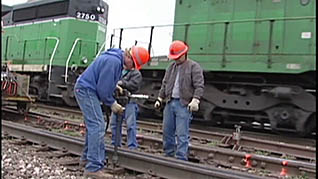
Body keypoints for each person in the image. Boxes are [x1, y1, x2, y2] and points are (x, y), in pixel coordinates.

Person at [74, 46, 150, 178]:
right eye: (134, 65)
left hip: (85, 88)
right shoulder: (114, 62)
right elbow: (103, 90)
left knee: (93, 126)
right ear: (129, 58)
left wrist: (114, 86)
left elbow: (102, 79)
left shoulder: (115, 59)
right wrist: (112, 103)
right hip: (87, 90)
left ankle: (87, 158)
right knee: (97, 126)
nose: (132, 68)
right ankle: (93, 167)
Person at [154, 40, 204, 161]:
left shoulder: (194, 67)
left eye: (177, 57)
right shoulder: (171, 67)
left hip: (183, 104)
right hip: (170, 102)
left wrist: (195, 99)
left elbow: (199, 85)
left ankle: (181, 158)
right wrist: (160, 98)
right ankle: (169, 155)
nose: (175, 60)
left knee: (182, 134)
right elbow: (165, 84)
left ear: (184, 54)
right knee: (167, 131)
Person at [110, 47, 149, 150]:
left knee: (130, 125)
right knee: (114, 124)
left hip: (130, 102)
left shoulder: (136, 74)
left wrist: (122, 83)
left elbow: (133, 85)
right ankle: (115, 144)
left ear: (133, 61)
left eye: (128, 57)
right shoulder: (120, 70)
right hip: (118, 101)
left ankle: (132, 146)